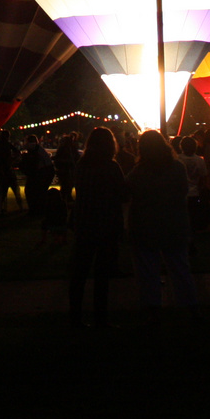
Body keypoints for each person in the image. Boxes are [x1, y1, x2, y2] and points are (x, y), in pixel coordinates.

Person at [125, 131, 196, 321]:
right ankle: (188, 306)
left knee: (148, 271)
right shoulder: (177, 168)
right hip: (173, 224)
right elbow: (183, 192)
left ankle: (151, 308)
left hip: (146, 226)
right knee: (180, 267)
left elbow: (128, 194)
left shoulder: (138, 173)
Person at [69, 127, 125, 328]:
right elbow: (122, 194)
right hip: (105, 224)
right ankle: (100, 317)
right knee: (102, 275)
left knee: (79, 272)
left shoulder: (82, 166)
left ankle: (75, 315)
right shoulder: (111, 167)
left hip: (84, 223)